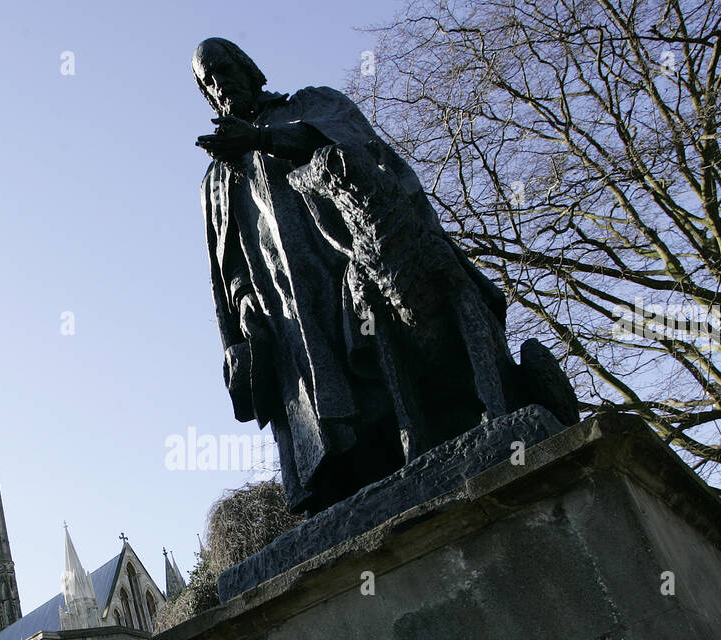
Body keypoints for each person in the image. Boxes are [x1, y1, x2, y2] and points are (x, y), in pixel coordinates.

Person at [194, 38, 570, 515]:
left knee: (387, 366)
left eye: (223, 69)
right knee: (324, 424)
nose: (218, 84)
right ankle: (345, 490)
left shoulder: (310, 104)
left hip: (350, 271)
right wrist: (245, 301)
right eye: (207, 82)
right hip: (285, 315)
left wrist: (262, 140)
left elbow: (356, 153)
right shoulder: (217, 180)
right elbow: (229, 266)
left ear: (249, 69)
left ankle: (432, 435)